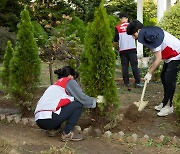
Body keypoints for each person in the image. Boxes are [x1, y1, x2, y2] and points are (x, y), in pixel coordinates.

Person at [34, 66, 103, 141]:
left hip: (39, 120)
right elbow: (82, 98)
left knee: (62, 106)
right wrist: (98, 100)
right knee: (78, 104)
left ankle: (53, 130)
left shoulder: (55, 85)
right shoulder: (69, 81)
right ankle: (66, 134)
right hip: (50, 119)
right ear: (70, 76)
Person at [127, 20, 180, 116]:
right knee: (164, 77)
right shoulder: (147, 35)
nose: (133, 37)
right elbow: (157, 55)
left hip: (176, 54)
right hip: (169, 56)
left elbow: (158, 59)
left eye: (133, 35)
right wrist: (151, 68)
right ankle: (164, 102)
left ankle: (169, 106)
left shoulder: (150, 36)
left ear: (138, 31)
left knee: (169, 79)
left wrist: (149, 73)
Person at [113, 13, 143, 88]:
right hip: (132, 49)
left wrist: (114, 47)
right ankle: (138, 82)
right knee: (134, 66)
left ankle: (126, 83)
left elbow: (116, 40)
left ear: (120, 19)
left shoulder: (117, 27)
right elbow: (136, 36)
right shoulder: (132, 26)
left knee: (124, 67)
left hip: (123, 50)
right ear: (127, 18)